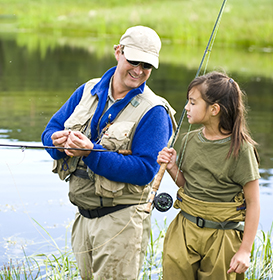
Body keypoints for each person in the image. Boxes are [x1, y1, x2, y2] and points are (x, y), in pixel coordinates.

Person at [41, 25, 176, 280]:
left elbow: (146, 171)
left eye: (146, 66)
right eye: (133, 61)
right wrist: (55, 142)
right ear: (118, 52)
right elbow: (50, 130)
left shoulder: (155, 111)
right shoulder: (87, 90)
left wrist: (91, 153)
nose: (138, 71)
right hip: (83, 218)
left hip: (121, 222)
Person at [157, 71, 260, 280]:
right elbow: (188, 185)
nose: (186, 107)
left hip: (223, 236)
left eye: (193, 102)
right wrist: (172, 167)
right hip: (184, 230)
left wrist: (245, 251)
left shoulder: (242, 149)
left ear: (214, 109)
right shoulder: (188, 140)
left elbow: (253, 202)